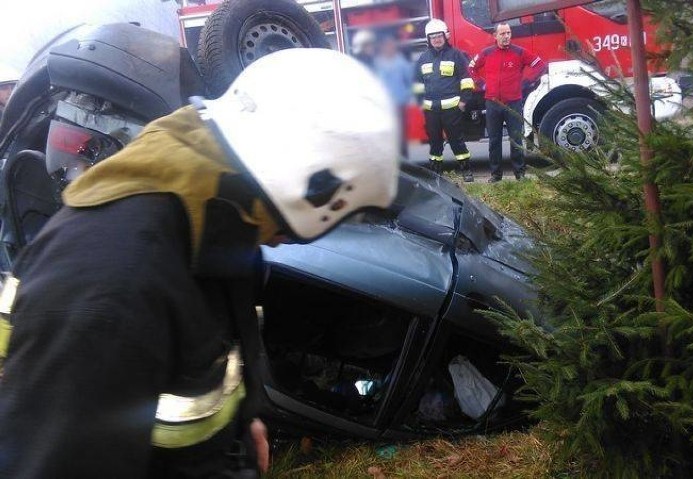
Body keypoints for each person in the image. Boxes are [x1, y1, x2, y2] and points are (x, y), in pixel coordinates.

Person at [0, 48, 399, 479]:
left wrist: (246, 423)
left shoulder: (216, 211)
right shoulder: (112, 288)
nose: (289, 242)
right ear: (305, 180)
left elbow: (210, 357)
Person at [469, 23, 545, 182]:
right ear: (495, 36)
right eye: (502, 33)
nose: (506, 36)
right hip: (492, 103)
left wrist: (526, 82)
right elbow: (470, 68)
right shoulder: (487, 53)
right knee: (494, 140)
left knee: (516, 139)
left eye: (508, 33)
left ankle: (520, 174)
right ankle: (496, 175)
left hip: (513, 103)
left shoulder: (519, 52)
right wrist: (481, 84)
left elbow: (539, 65)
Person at [412, 19, 475, 182]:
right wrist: (419, 102)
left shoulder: (456, 55)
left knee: (457, 141)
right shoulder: (423, 58)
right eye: (433, 37)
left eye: (439, 36)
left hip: (452, 108)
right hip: (431, 110)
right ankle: (435, 173)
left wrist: (463, 102)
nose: (436, 40)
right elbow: (417, 83)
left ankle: (466, 170)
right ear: (428, 39)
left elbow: (466, 79)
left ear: (445, 36)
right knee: (434, 143)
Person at [373, 35, 413, 158]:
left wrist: (406, 96)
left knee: (401, 135)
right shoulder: (378, 63)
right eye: (386, 46)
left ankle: (404, 160)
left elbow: (410, 81)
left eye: (391, 46)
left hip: (400, 104)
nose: (388, 48)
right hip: (384, 106)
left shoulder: (401, 63)